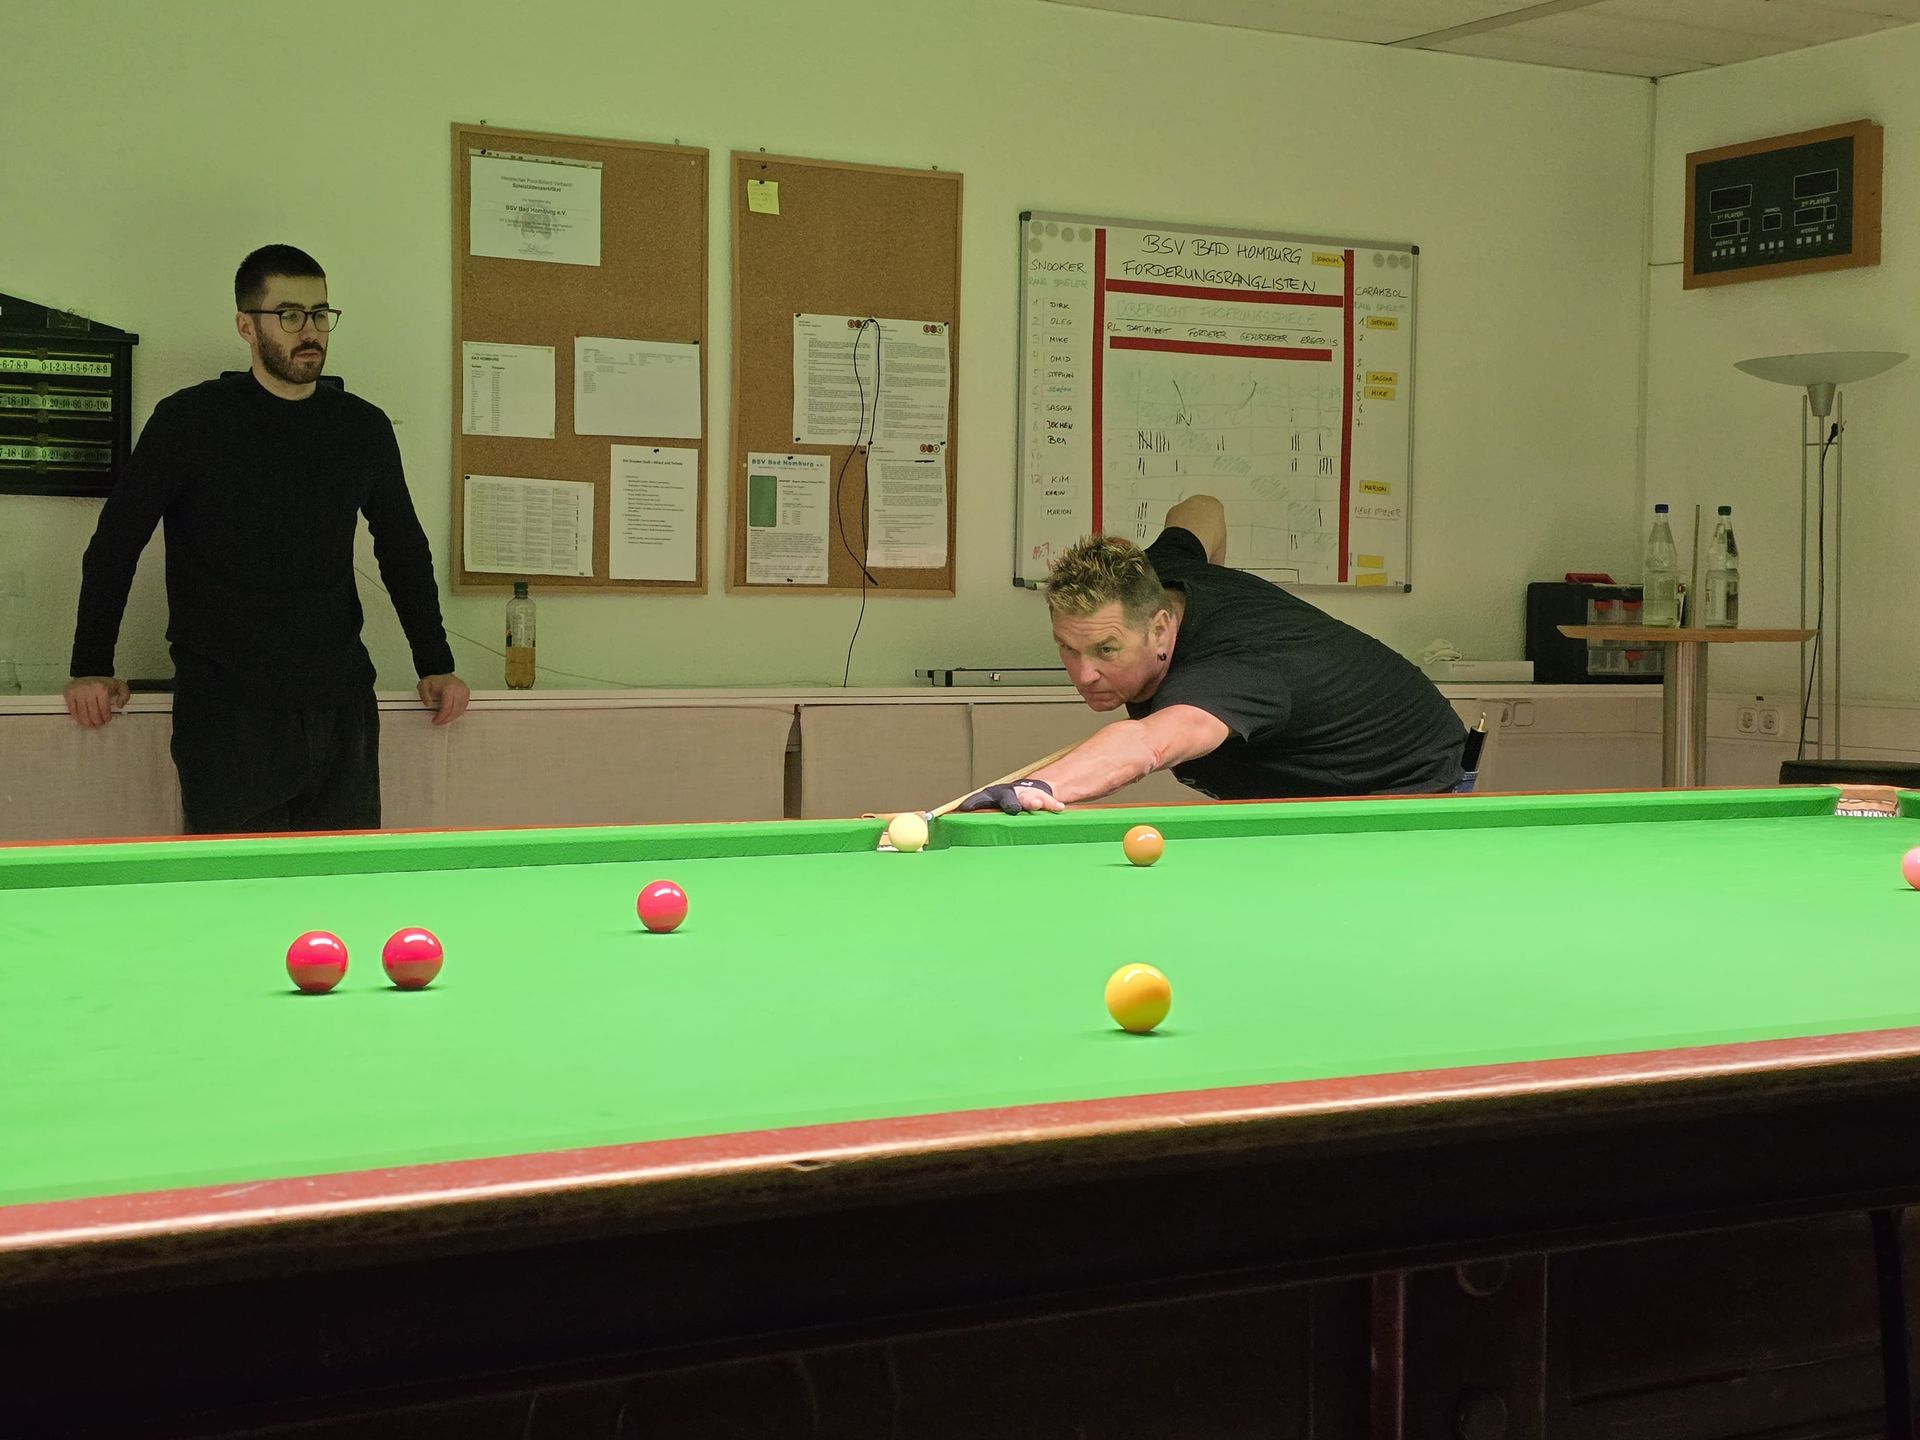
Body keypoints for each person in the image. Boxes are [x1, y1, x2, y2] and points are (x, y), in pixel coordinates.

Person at [64, 244, 469, 833]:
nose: (310, 331)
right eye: (290, 315)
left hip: (340, 705)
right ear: (246, 326)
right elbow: (116, 543)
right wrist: (90, 664)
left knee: (343, 879)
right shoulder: (190, 421)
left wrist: (435, 662)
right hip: (227, 710)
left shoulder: (361, 427)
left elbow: (403, 548)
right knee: (239, 883)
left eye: (320, 314)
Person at [961, 494, 1464, 813]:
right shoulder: (1157, 573)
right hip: (1304, 782)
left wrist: (1039, 787)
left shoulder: (1228, 675)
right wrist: (1219, 581)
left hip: (1406, 782)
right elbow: (1202, 509)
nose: (1084, 673)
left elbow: (1147, 745)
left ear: (1161, 628)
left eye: (1106, 649)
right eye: (1068, 648)